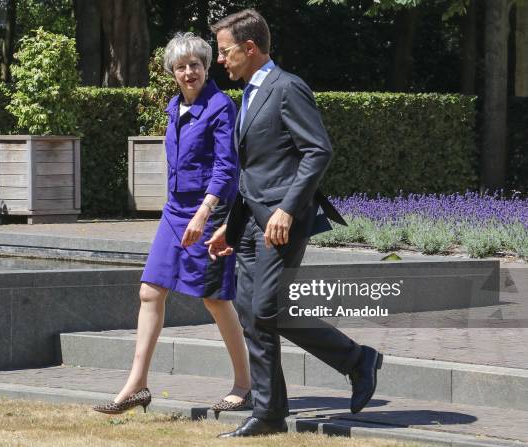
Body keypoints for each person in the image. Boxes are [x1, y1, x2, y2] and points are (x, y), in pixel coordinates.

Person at [205, 10, 383, 437]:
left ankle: (352, 362)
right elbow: (254, 171)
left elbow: (317, 151)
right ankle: (276, 409)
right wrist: (228, 226)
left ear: (250, 48)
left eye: (225, 52)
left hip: (281, 223)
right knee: (254, 312)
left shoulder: (287, 89)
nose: (221, 61)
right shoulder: (246, 95)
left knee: (264, 309)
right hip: (249, 223)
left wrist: (286, 208)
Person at [93, 32, 251, 416]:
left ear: (205, 65)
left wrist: (205, 212)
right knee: (150, 291)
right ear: (173, 72)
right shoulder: (173, 106)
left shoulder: (220, 108)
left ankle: (245, 385)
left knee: (215, 299)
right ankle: (137, 385)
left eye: (194, 64)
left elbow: (226, 168)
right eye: (180, 67)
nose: (188, 72)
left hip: (209, 213)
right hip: (174, 211)